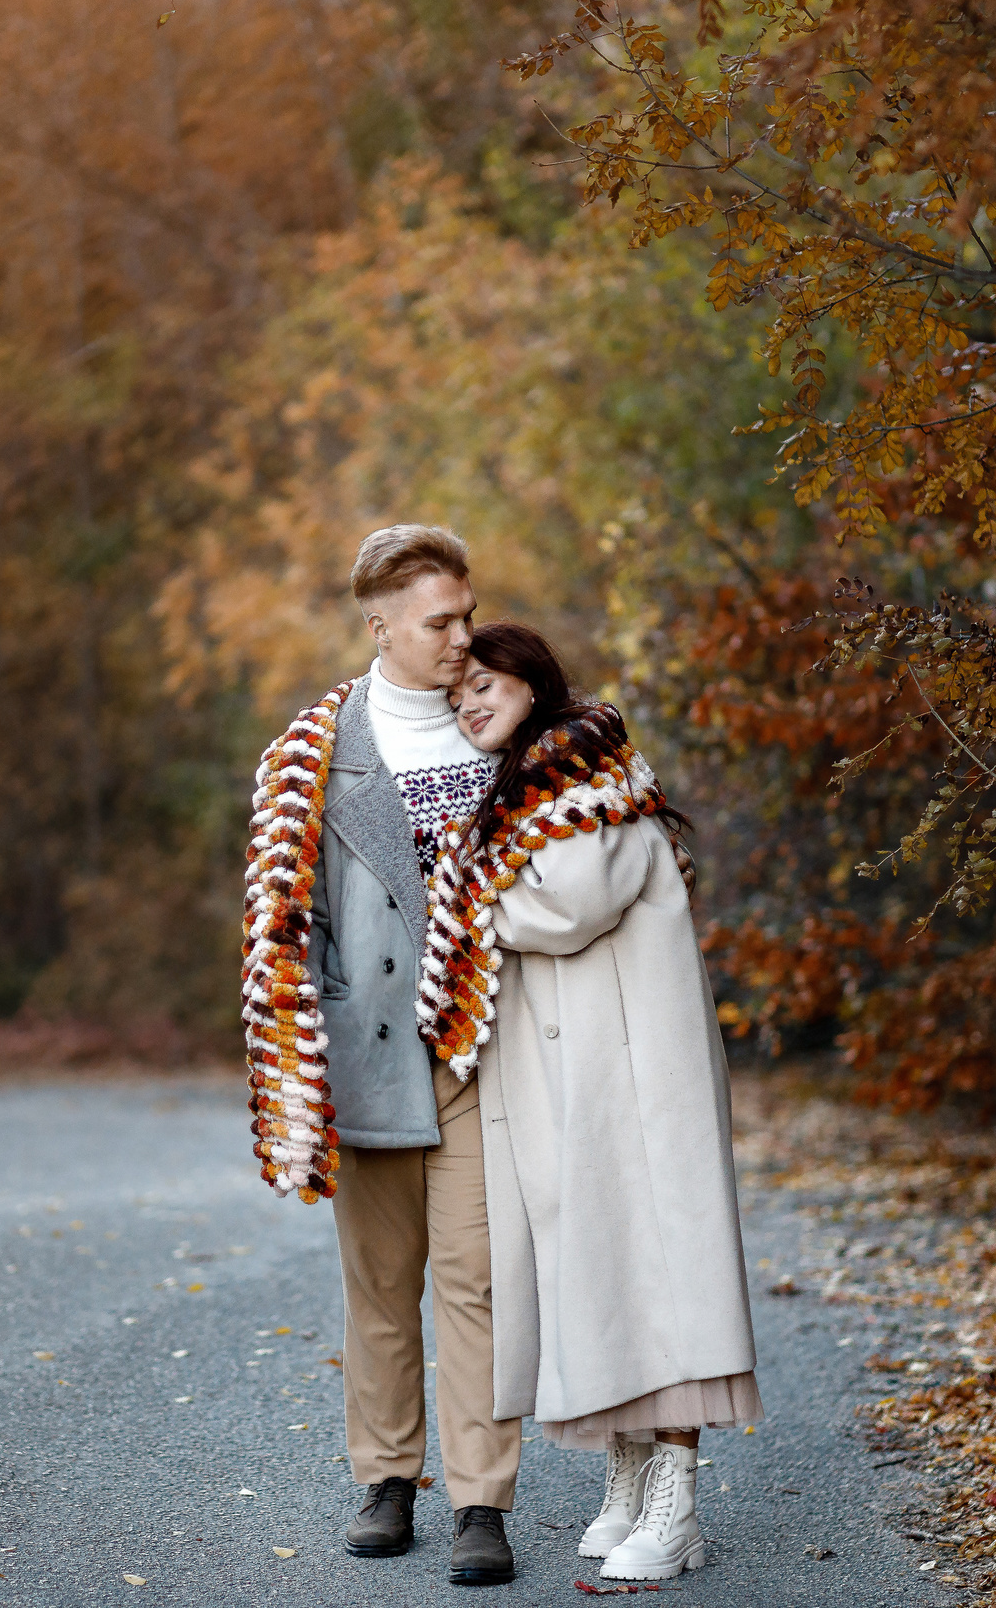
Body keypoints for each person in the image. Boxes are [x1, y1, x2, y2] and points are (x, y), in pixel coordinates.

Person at [418, 621, 761, 1583]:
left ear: (534, 685)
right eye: (456, 695)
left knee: (660, 1265)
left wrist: (464, 884)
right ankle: (628, 1469)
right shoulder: (528, 787)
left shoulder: (583, 779)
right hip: (580, 1070)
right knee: (599, 1264)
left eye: (485, 683)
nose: (470, 702)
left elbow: (567, 905)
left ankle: (677, 1498)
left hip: (635, 1068)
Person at [239, 524, 521, 1586]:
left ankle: (482, 1501)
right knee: (378, 1285)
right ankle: (386, 1481)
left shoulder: (495, 730)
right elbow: (285, 928)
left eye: (466, 614)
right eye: (440, 620)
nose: (462, 636)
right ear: (382, 625)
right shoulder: (313, 758)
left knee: (477, 1282)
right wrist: (301, 1067)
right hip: (364, 1055)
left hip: (477, 1056)